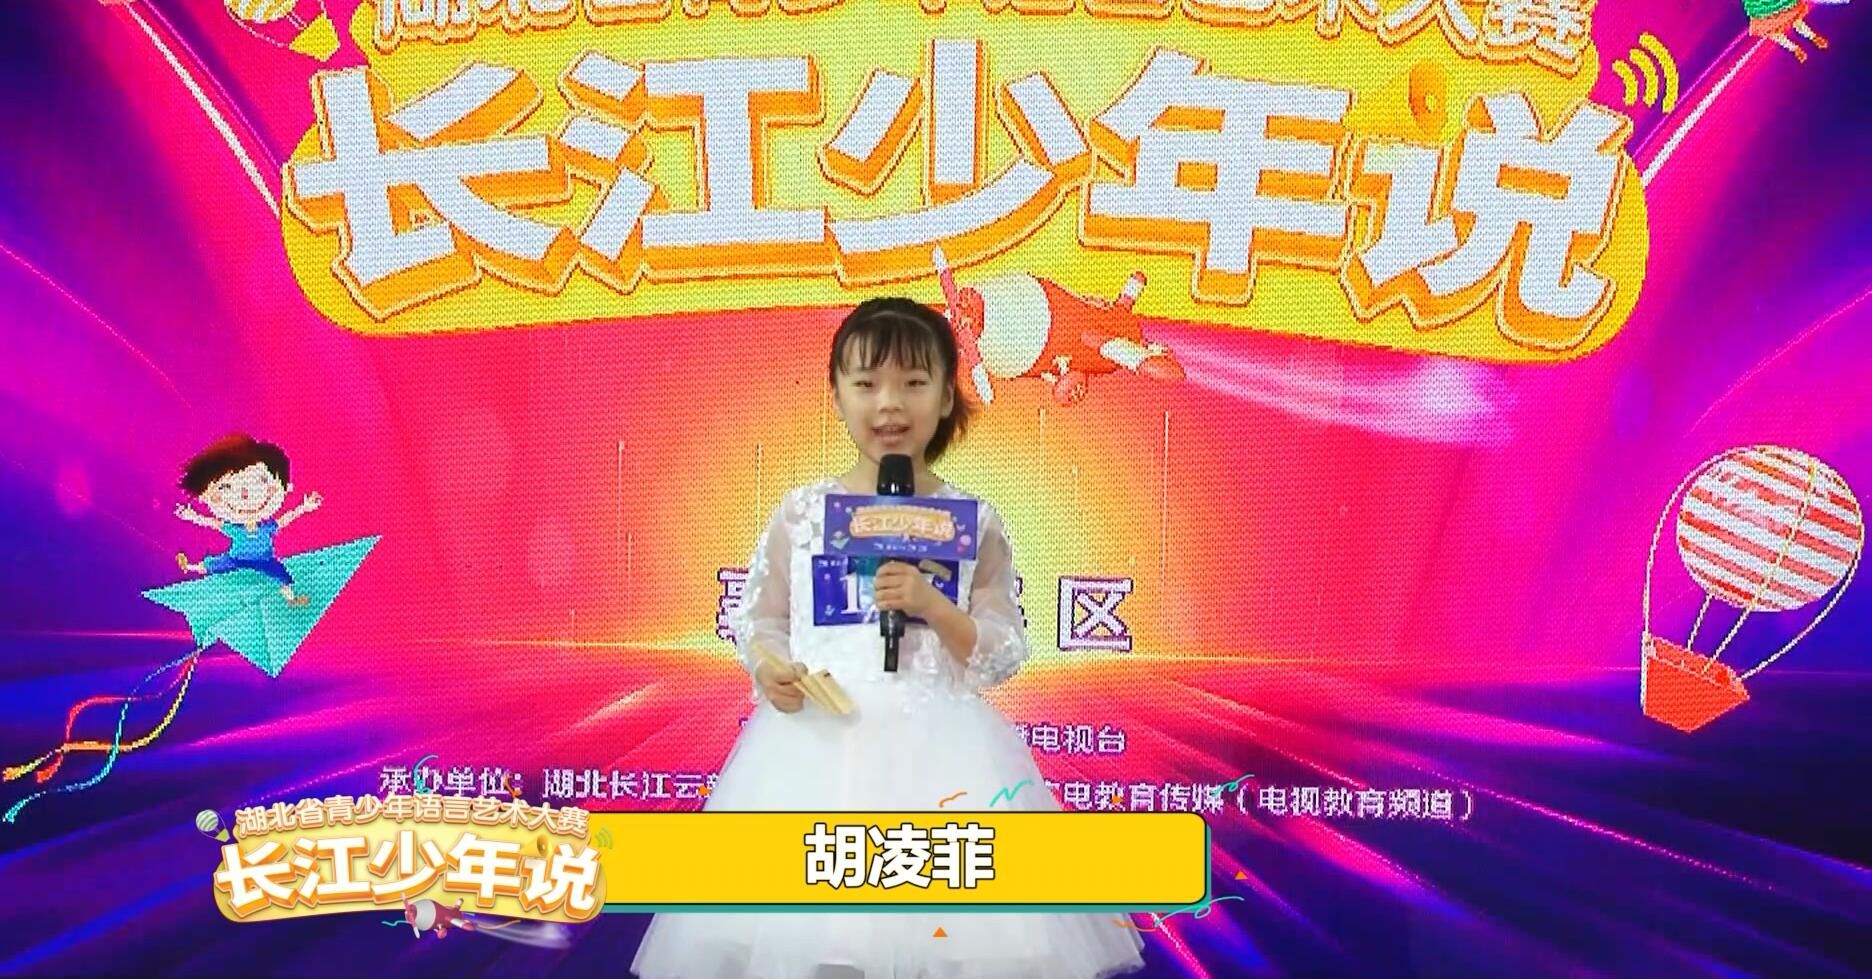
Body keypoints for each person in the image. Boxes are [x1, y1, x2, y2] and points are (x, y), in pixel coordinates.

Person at [631, 298, 1146, 979]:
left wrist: (932, 604)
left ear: (946, 395)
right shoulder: (802, 512)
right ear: (837, 394)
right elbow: (761, 618)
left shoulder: (973, 520)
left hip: (946, 763)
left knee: (955, 946)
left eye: (914, 382)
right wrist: (772, 667)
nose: (889, 403)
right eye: (866, 382)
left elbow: (1001, 649)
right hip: (811, 759)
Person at [173, 432, 322, 606]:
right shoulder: (235, 529)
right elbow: (213, 523)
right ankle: (189, 567)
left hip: (264, 561)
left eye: (261, 481)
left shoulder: (267, 527)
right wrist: (193, 516)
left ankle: (292, 600)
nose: (245, 496)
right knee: (213, 564)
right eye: (226, 487)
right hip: (237, 560)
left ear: (285, 487)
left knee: (282, 576)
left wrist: (304, 507)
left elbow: (286, 519)